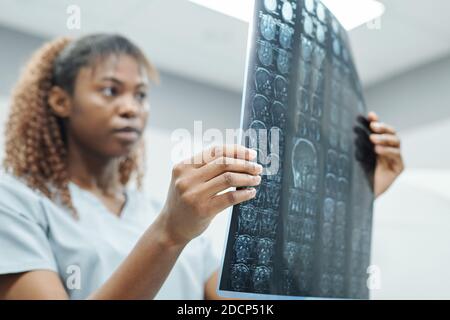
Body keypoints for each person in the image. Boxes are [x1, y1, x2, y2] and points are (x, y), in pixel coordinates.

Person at [0, 34, 404, 300]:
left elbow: (244, 304)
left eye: (140, 95)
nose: (130, 108)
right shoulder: (15, 204)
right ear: (59, 101)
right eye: (110, 90)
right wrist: (168, 234)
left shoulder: (153, 209)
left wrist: (357, 200)